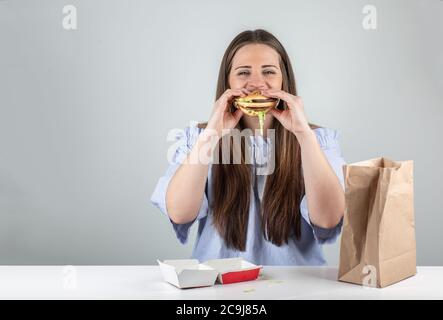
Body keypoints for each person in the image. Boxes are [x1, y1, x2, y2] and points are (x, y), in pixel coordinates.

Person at [151, 29, 346, 265]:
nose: (256, 84)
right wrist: (212, 133)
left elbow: (328, 219)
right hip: (219, 286)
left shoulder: (318, 140)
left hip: (297, 286)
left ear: (284, 79)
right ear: (228, 81)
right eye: (243, 72)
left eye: (269, 72)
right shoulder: (199, 138)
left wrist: (303, 134)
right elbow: (180, 213)